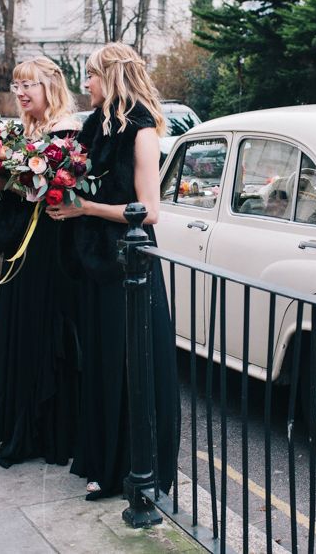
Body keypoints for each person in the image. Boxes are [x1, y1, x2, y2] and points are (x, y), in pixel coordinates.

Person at [46, 42, 180, 500]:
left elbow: (150, 211)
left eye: (91, 75)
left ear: (113, 77)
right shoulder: (93, 126)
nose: (85, 84)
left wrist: (85, 208)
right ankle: (103, 459)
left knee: (131, 365)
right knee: (101, 363)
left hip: (129, 263)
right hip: (94, 262)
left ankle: (136, 470)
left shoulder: (142, 132)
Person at [0, 57, 82, 467]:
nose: (21, 93)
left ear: (51, 86)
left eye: (30, 85)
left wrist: (10, 181)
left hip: (50, 247)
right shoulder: (26, 131)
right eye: (17, 85)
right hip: (23, 243)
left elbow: (60, 190)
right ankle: (16, 421)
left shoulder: (66, 130)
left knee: (44, 329)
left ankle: (46, 429)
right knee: (20, 326)